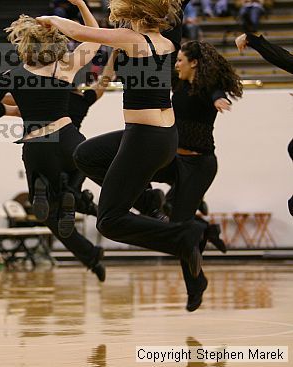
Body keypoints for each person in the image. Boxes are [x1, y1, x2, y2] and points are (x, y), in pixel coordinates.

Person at [38, 0, 219, 281]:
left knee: (109, 221)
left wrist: (49, 18)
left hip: (145, 137)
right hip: (164, 137)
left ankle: (186, 234)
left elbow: (80, 32)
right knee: (86, 155)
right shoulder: (168, 41)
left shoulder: (132, 38)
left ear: (133, 12)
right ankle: (151, 202)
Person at [0, 0, 106, 281]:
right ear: (56, 42)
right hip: (69, 137)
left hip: (37, 145)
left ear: (24, 44)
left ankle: (45, 186)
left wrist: (0, 107)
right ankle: (71, 190)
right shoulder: (65, 67)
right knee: (78, 166)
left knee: (41, 206)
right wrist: (81, 4)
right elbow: (94, 38)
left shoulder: (13, 76)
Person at [136, 41, 242, 311]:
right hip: (175, 160)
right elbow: (158, 62)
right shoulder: (178, 82)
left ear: (194, 62)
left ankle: (196, 283)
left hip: (199, 165)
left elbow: (215, 91)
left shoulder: (207, 86)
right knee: (135, 166)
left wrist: (219, 100)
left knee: (180, 228)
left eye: (181, 60)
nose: (177, 64)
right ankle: (203, 227)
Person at [236, 32, 293, 216]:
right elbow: (285, 59)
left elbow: (285, 59)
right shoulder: (157, 43)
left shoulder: (159, 44)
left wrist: (252, 40)